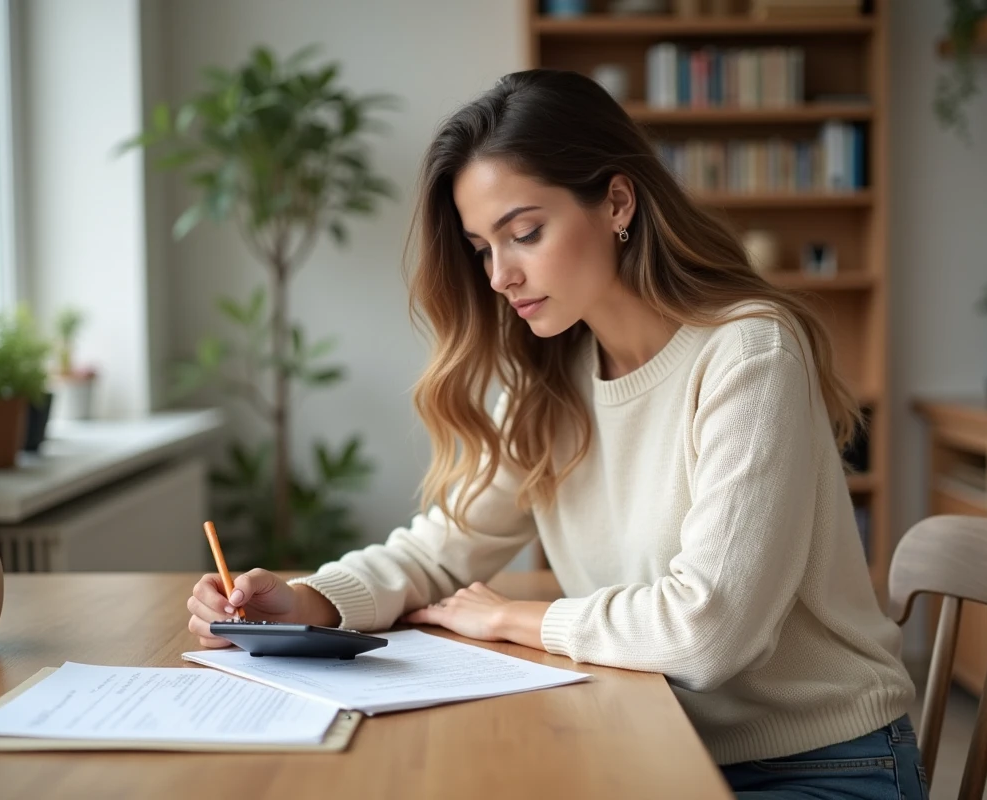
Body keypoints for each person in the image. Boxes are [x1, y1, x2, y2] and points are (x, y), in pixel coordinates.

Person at [187, 68, 925, 799]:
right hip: (656, 742)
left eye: (525, 233)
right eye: (482, 248)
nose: (501, 275)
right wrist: (305, 603)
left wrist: (512, 617)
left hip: (824, 765)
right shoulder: (554, 374)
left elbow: (709, 631)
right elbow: (447, 546)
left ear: (616, 202)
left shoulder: (748, 353)